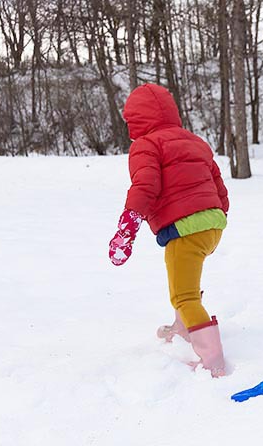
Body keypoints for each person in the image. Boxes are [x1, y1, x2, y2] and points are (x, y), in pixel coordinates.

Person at [108, 83, 230, 377]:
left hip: (184, 228)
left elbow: (145, 187)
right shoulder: (195, 141)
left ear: (135, 120)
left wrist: (128, 227)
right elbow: (218, 184)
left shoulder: (146, 145)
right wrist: (217, 214)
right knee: (184, 279)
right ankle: (184, 325)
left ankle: (212, 360)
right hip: (212, 224)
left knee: (184, 296)